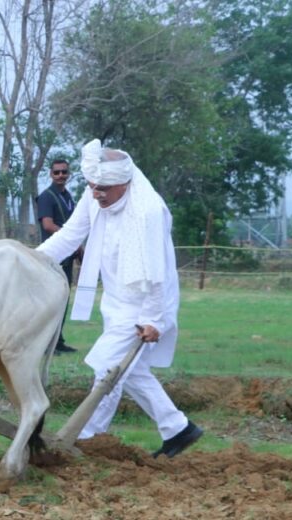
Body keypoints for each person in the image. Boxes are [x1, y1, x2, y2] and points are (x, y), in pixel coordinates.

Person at [37, 139, 203, 458]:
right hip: (115, 299)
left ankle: (84, 438)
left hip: (145, 303)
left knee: (108, 367)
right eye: (92, 186)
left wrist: (154, 319)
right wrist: (31, 260)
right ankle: (178, 428)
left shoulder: (147, 212)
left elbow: (157, 275)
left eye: (103, 189)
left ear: (124, 183)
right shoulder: (95, 193)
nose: (96, 193)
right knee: (131, 371)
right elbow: (70, 236)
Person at [37, 158, 80, 354]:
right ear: (51, 174)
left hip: (68, 255)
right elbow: (47, 224)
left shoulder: (69, 197)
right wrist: (70, 239)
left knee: (64, 297)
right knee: (52, 299)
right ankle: (46, 343)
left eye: (64, 172)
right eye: (57, 172)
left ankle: (58, 340)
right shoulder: (46, 196)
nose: (61, 175)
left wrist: (76, 245)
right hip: (53, 255)